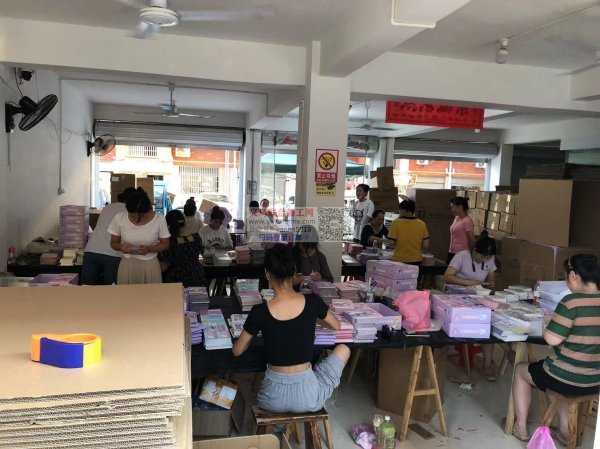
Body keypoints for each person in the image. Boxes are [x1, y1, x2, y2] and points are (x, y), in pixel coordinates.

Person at [232, 244, 351, 413]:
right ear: (295, 272)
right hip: (308, 398)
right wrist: (313, 319)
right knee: (344, 349)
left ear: (267, 274)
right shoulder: (312, 302)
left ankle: (279, 423)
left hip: (271, 399)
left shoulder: (259, 311)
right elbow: (336, 326)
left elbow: (237, 351)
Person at [511, 254, 600, 443]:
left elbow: (551, 339)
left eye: (565, 277)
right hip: (595, 379)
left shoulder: (571, 302)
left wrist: (549, 323)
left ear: (574, 276)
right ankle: (566, 431)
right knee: (556, 379)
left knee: (521, 370)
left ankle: (521, 428)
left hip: (566, 378)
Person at [444, 231, 497, 380]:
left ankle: (487, 366)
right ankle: (453, 351)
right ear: (474, 251)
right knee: (460, 321)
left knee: (489, 324)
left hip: (478, 297)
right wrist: (470, 283)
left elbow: (491, 278)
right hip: (457, 296)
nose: (485, 260)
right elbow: (447, 276)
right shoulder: (461, 256)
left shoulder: (490, 258)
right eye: (482, 256)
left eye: (488, 257)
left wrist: (490, 284)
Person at [108, 188, 170, 285]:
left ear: (146, 211)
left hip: (150, 265)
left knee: (152, 294)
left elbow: (165, 244)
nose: (133, 219)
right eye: (131, 215)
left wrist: (149, 249)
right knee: (126, 294)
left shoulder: (159, 219)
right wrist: (121, 247)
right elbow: (113, 243)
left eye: (136, 216)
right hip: (127, 265)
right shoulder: (119, 218)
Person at [81, 187, 136, 285]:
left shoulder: (108, 207)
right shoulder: (129, 211)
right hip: (112, 255)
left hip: (91, 251)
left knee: (86, 287)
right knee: (111, 289)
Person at [159, 209, 205, 287]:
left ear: (168, 225)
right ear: (184, 222)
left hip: (175, 279)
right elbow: (203, 253)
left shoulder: (169, 242)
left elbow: (163, 266)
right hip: (196, 277)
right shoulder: (196, 238)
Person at [448, 197, 475, 264]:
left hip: (462, 254)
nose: (452, 210)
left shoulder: (467, 221)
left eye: (453, 207)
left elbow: (471, 240)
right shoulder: (456, 218)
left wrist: (472, 255)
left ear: (460, 207)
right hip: (452, 252)